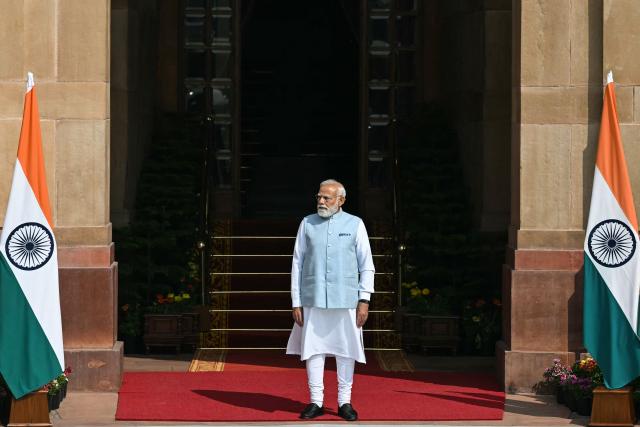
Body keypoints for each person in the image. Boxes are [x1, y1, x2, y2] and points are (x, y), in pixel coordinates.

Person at [286, 179, 375, 421]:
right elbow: (297, 263)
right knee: (314, 350)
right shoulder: (307, 223)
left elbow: (367, 265)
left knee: (346, 351)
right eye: (319, 197)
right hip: (312, 298)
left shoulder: (355, 224)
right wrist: (296, 301)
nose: (321, 201)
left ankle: (344, 401)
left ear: (341, 200)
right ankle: (316, 400)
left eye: (327, 198)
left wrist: (364, 300)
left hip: (346, 299)